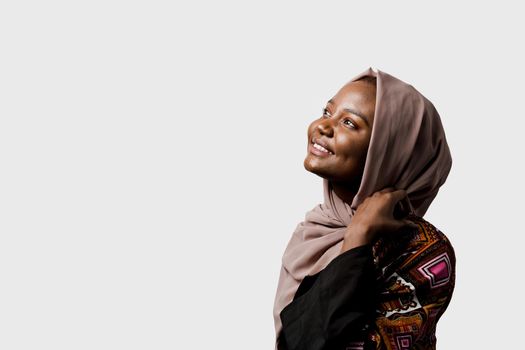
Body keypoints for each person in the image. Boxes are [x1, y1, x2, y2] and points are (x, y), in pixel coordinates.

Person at [272, 67, 455, 350]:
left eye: (349, 123)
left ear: (390, 150)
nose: (322, 126)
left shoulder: (422, 249)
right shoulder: (315, 230)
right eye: (326, 112)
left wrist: (357, 239)